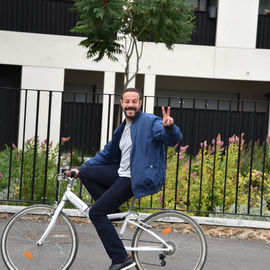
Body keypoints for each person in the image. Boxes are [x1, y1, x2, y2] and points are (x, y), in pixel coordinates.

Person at [66, 88, 182, 270]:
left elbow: (171, 138)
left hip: (134, 178)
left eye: (134, 101)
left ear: (140, 104)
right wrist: (79, 169)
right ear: (121, 103)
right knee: (87, 173)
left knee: (96, 212)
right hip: (120, 173)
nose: (130, 105)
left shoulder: (151, 121)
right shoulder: (122, 129)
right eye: (127, 101)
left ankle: (121, 258)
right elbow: (105, 155)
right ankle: (112, 212)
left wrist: (170, 127)